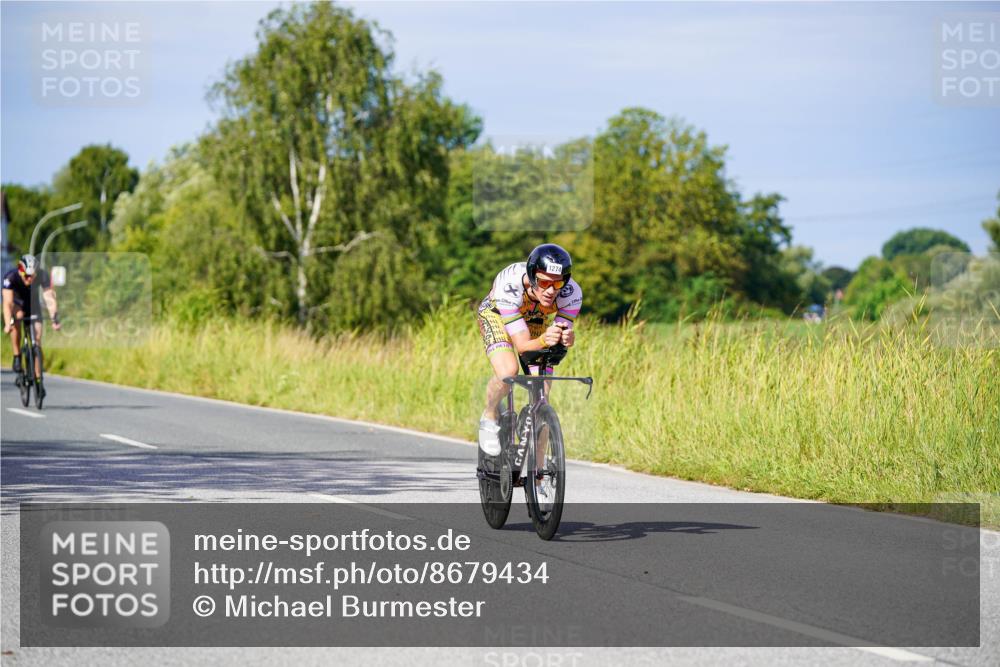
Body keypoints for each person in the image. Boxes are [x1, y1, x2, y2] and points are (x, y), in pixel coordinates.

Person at [476, 243, 582, 457]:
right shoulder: (510, 285)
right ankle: (489, 415)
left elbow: (559, 338)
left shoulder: (571, 293)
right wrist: (545, 339)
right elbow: (523, 346)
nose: (551, 290)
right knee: (508, 372)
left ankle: (539, 477)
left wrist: (566, 338)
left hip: (535, 319)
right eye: (543, 282)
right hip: (498, 314)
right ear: (532, 276)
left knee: (542, 395)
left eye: (558, 283)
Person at [2, 254, 60, 382]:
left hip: (33, 305)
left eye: (33, 276)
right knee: (18, 316)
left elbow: (49, 298)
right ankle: (17, 355)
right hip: (17, 305)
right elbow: (7, 303)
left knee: (37, 339)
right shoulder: (11, 278)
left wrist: (54, 318)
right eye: (27, 276)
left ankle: (38, 378)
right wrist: (7, 323)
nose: (30, 279)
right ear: (20, 272)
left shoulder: (42, 275)